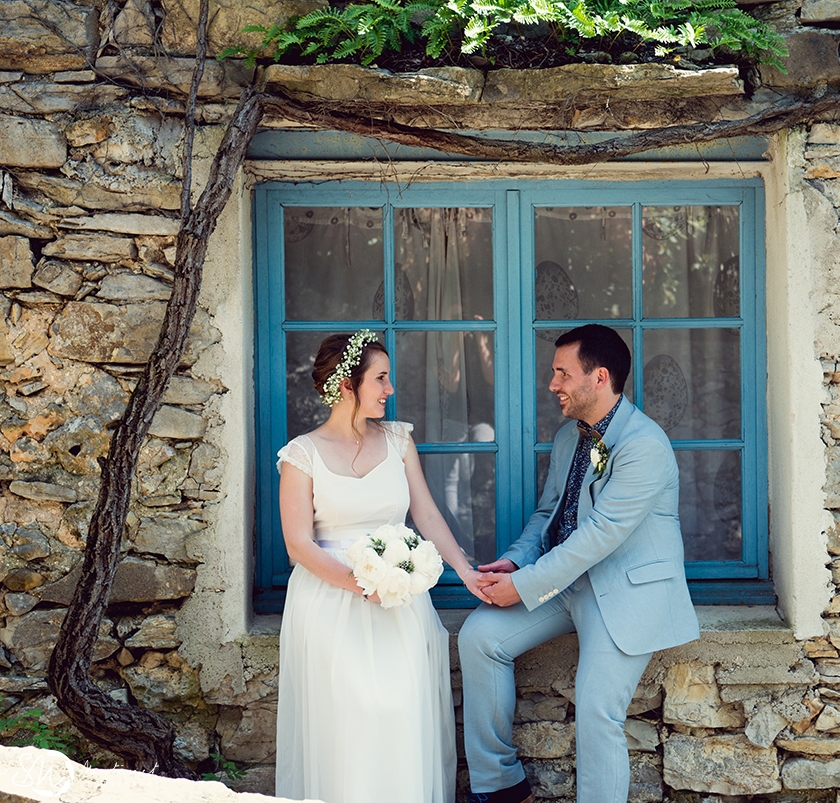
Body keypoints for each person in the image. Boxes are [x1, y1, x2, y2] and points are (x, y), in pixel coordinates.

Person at [459, 324, 700, 803]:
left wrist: (525, 586)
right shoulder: (570, 437)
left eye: (561, 374)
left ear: (599, 377)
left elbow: (598, 537)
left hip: (627, 592)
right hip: (567, 586)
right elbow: (548, 514)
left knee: (596, 710)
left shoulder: (645, 445)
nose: (553, 385)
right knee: (479, 638)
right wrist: (514, 562)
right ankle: (500, 786)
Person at [275, 331, 490, 803]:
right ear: (348, 385)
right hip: (331, 605)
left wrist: (465, 570)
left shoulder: (398, 440)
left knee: (401, 714)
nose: (389, 389)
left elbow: (427, 514)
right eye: (381, 378)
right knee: (352, 721)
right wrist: (360, 584)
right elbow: (297, 544)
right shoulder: (301, 455)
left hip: (399, 604)